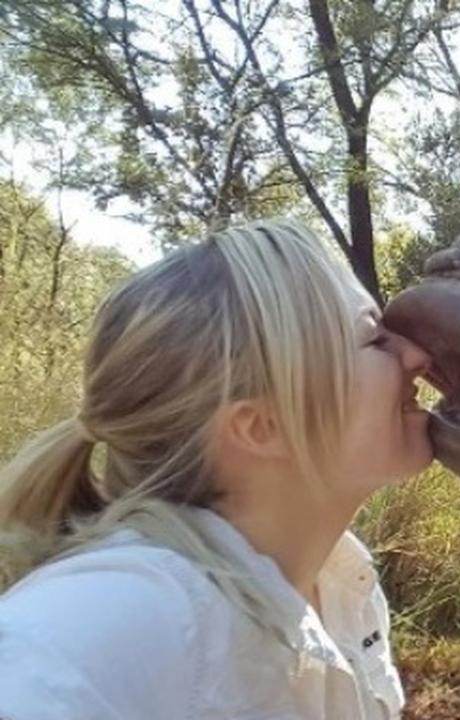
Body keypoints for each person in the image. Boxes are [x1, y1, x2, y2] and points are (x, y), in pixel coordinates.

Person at [0, 218, 433, 719]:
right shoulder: (119, 613)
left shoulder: (342, 585)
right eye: (373, 340)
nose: (418, 357)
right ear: (261, 426)